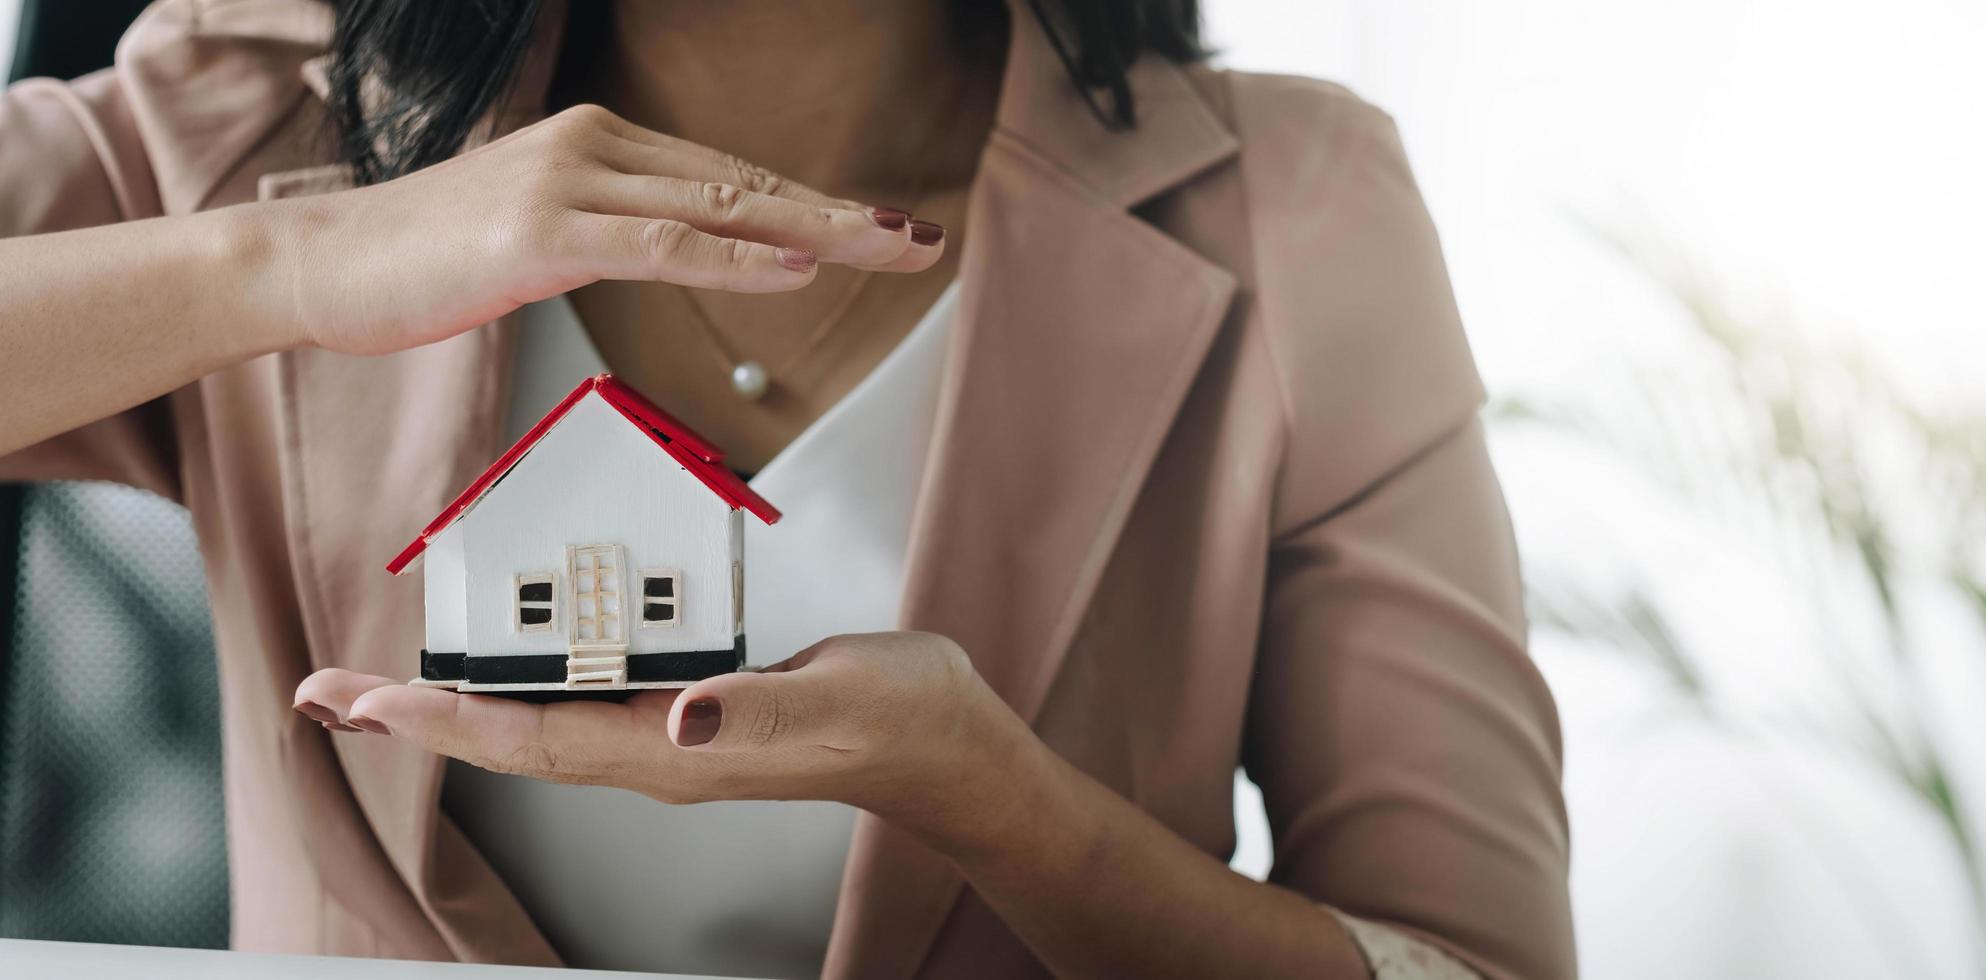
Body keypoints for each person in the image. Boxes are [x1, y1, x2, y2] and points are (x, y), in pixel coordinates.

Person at [0, 1, 1575, 977]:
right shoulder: (251, 110)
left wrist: (994, 805)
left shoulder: (1295, 202)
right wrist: (286, 262)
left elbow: (1463, 965)